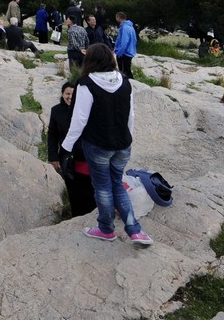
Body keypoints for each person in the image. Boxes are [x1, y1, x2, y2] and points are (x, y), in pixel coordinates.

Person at [59, 43, 152, 245]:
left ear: (89, 60)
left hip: (98, 145)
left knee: (102, 187)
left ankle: (106, 228)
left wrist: (65, 148)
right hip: (123, 144)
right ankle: (135, 230)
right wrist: (127, 138)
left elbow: (79, 121)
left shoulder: (86, 84)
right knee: (117, 184)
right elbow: (131, 115)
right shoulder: (124, 81)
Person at [47, 82, 95, 217]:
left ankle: (91, 218)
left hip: (86, 158)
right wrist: (53, 157)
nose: (70, 97)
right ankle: (76, 218)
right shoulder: (56, 111)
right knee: (73, 191)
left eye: (73, 94)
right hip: (67, 159)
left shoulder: (85, 109)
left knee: (89, 191)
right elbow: (52, 135)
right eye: (67, 94)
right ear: (62, 95)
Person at [113, 12, 137, 80]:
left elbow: (124, 42)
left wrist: (120, 52)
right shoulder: (130, 26)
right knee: (127, 70)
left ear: (118, 17)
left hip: (124, 53)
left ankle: (128, 84)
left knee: (124, 72)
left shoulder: (124, 27)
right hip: (130, 51)